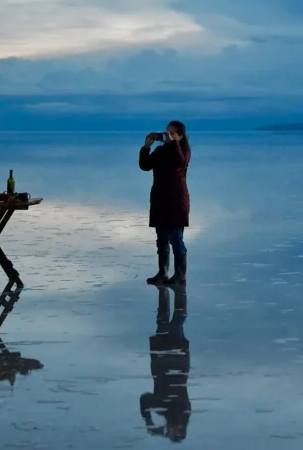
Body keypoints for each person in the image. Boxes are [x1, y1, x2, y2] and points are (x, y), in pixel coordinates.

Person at [139, 121, 191, 285]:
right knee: (161, 239)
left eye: (172, 133)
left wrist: (173, 143)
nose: (167, 135)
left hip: (177, 200)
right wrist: (146, 147)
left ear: (180, 136)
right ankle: (163, 272)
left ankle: (180, 275)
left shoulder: (183, 150)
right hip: (160, 199)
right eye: (166, 132)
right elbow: (145, 165)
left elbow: (180, 162)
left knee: (176, 239)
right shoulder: (160, 151)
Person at [139, 284, 191, 442]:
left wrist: (150, 422)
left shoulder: (162, 408)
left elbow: (144, 399)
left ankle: (164, 290)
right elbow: (174, 409)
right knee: (177, 321)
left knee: (163, 320)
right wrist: (155, 426)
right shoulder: (182, 410)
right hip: (176, 359)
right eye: (176, 430)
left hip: (162, 359)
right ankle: (179, 290)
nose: (172, 429)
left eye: (172, 431)